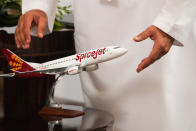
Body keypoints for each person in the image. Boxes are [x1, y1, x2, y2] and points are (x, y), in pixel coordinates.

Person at [15, 0, 196, 131]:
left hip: (155, 15)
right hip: (95, 19)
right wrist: (39, 5)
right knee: (104, 114)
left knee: (162, 114)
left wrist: (169, 23)